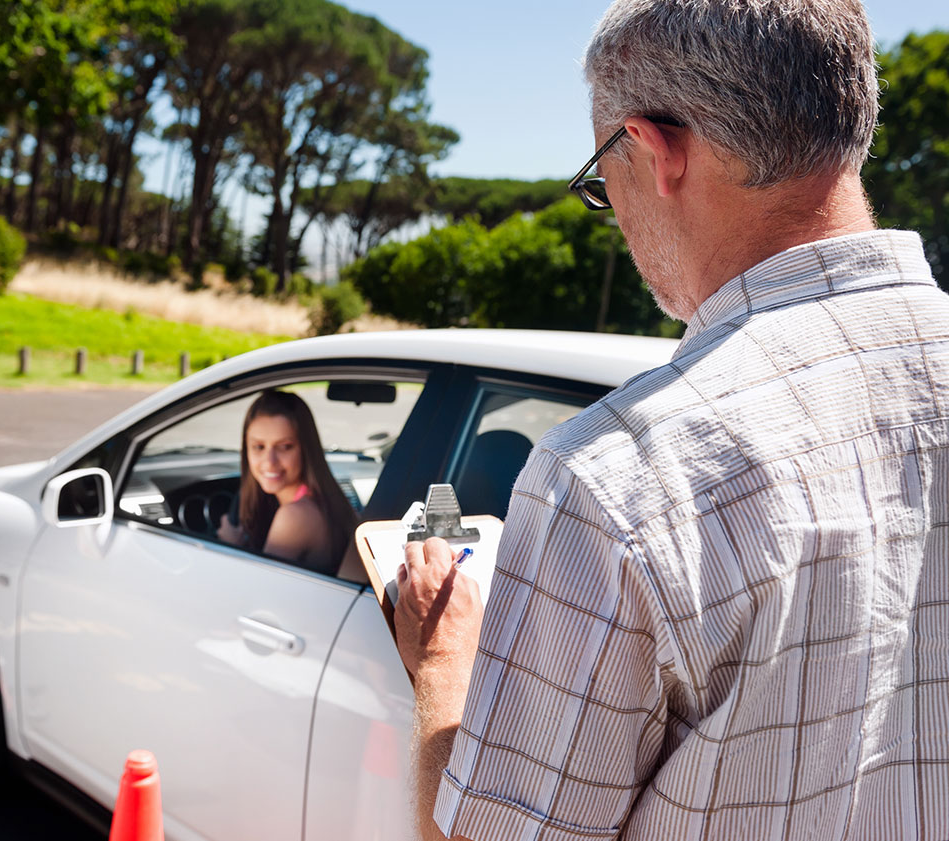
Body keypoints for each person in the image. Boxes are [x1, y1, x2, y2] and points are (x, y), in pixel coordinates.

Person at [394, 1, 949, 839]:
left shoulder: (618, 472)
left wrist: (442, 664)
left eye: (598, 180)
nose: (611, 214)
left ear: (656, 150)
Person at [217, 389, 357, 575]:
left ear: (305, 449)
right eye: (258, 447)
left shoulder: (294, 516)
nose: (269, 462)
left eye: (284, 447)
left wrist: (230, 547)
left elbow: (258, 590)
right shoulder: (323, 499)